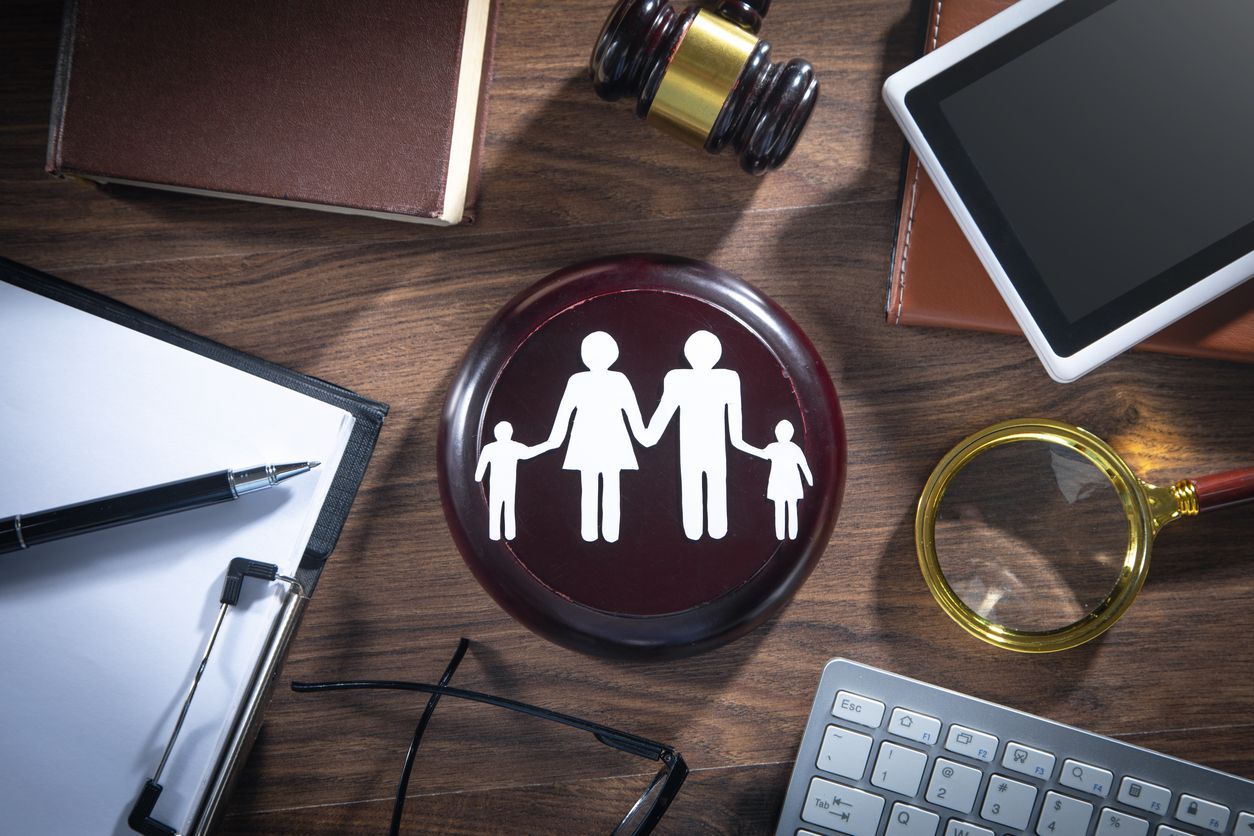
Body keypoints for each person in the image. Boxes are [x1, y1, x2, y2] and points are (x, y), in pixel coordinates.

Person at [641, 330, 762, 540]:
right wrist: (754, 449)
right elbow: (736, 437)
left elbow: (659, 422)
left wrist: (645, 436)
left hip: (692, 451)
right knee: (712, 488)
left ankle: (700, 531)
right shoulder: (727, 379)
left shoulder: (678, 379)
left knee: (694, 490)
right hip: (710, 451)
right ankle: (712, 531)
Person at [534, 331, 648, 543]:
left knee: (594, 488)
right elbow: (565, 414)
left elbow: (564, 415)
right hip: (605, 443)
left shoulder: (583, 381)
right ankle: (603, 532)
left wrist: (553, 441)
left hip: (596, 443)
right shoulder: (613, 380)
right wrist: (645, 436)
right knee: (604, 487)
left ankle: (596, 532)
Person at [474, 421, 543, 541]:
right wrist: (546, 445)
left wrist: (478, 477)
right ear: (510, 433)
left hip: (496, 484)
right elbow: (530, 452)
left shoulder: (490, 448)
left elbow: (480, 470)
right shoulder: (514, 447)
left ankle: (495, 534)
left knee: (496, 508)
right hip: (508, 484)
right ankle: (510, 534)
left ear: (496, 433)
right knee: (508, 508)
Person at [763, 419, 812, 540]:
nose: (781, 435)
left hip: (791, 484)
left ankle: (792, 534)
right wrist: (744, 446)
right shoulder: (773, 447)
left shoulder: (794, 448)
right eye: (779, 432)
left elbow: (804, 465)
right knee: (781, 508)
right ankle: (780, 535)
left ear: (791, 434)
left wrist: (810, 479)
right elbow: (761, 453)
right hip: (779, 483)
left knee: (790, 507)